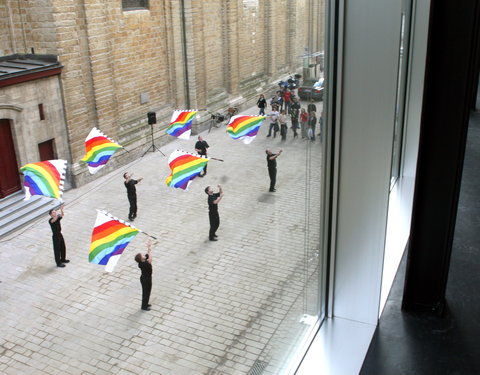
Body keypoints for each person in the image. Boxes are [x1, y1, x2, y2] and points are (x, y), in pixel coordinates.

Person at [134, 240, 153, 311]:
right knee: (145, 292)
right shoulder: (143, 264)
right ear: (141, 259)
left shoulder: (143, 261)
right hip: (145, 280)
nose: (144, 255)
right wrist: (150, 248)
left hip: (147, 278)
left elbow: (148, 255)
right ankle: (144, 307)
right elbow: (150, 259)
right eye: (142, 255)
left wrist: (148, 247)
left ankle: (146, 303)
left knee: (148, 291)